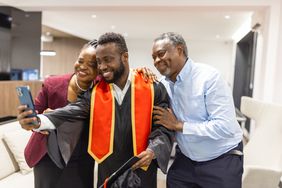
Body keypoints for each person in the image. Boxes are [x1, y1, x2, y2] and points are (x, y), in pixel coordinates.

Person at [18, 32, 173, 188]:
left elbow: (163, 127)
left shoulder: (153, 88)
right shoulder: (96, 92)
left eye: (107, 60)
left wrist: (153, 150)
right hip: (108, 171)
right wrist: (38, 121)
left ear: (124, 57)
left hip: (142, 168)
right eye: (99, 62)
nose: (102, 66)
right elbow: (70, 111)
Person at [152, 32, 243, 188]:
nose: (156, 61)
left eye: (161, 54)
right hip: (185, 161)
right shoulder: (162, 85)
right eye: (153, 57)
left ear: (179, 50)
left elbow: (225, 127)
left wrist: (179, 125)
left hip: (221, 160)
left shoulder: (209, 78)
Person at [23, 40, 98, 188]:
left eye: (92, 64)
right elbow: (34, 116)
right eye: (80, 60)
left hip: (82, 159)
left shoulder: (102, 89)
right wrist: (33, 121)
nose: (83, 67)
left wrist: (140, 72)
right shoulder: (52, 84)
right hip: (48, 157)